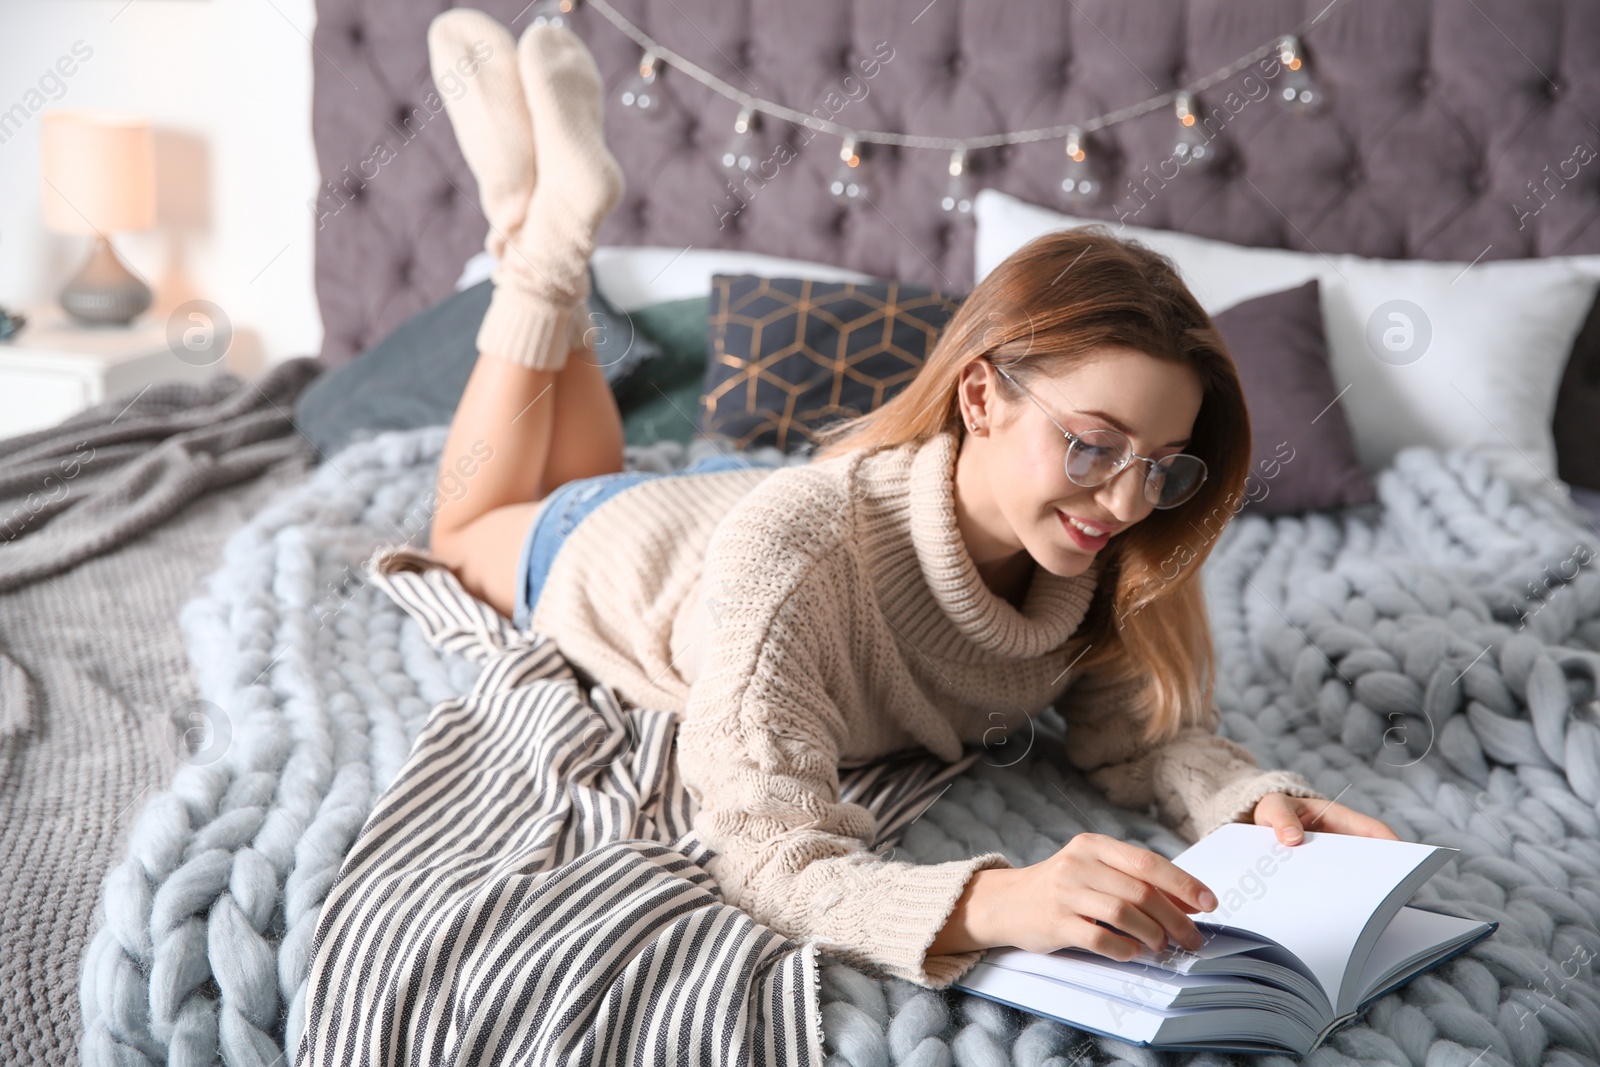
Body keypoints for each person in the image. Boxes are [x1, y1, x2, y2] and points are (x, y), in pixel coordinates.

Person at [422, 11, 1399, 989]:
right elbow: (762, 855)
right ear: (980, 396)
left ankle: (549, 224)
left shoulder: (1093, 554)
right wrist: (992, 900)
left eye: (1165, 464)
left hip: (696, 511)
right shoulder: (799, 552)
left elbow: (1136, 740)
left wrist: (1247, 798)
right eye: (1094, 444)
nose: (1128, 498)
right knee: (467, 524)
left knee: (584, 464)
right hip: (605, 550)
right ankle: (537, 242)